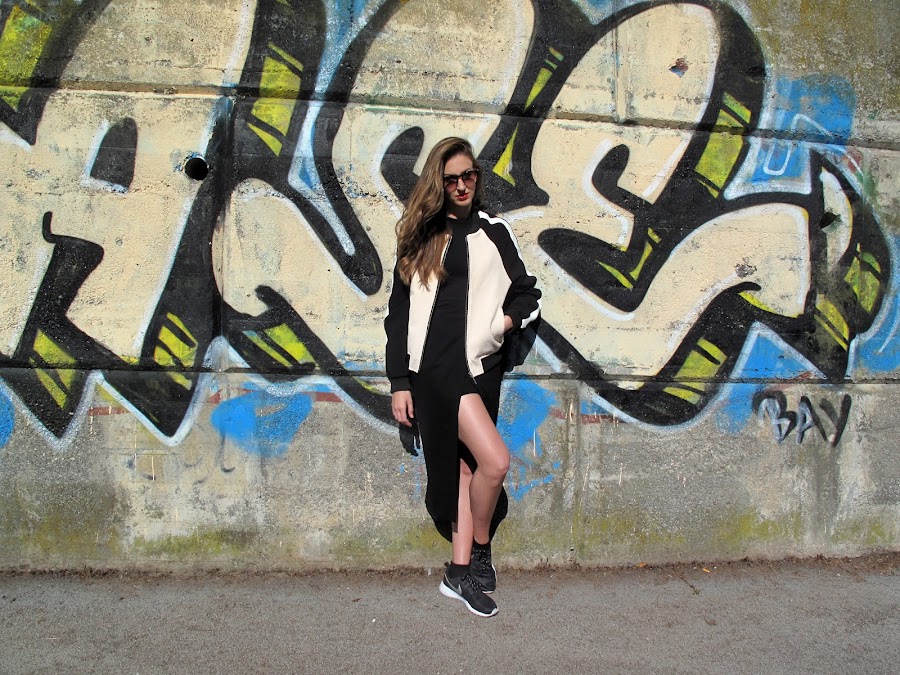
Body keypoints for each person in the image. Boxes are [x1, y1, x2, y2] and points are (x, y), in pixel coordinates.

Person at [384, 137, 541, 617]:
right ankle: (477, 553)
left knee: (469, 468)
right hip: (433, 368)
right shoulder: (422, 236)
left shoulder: (494, 232)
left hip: (480, 367)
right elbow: (398, 313)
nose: (461, 186)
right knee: (495, 461)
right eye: (451, 178)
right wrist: (399, 381)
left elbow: (528, 293)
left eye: (468, 175)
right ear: (439, 182)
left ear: (477, 176)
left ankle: (461, 566)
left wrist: (500, 326)